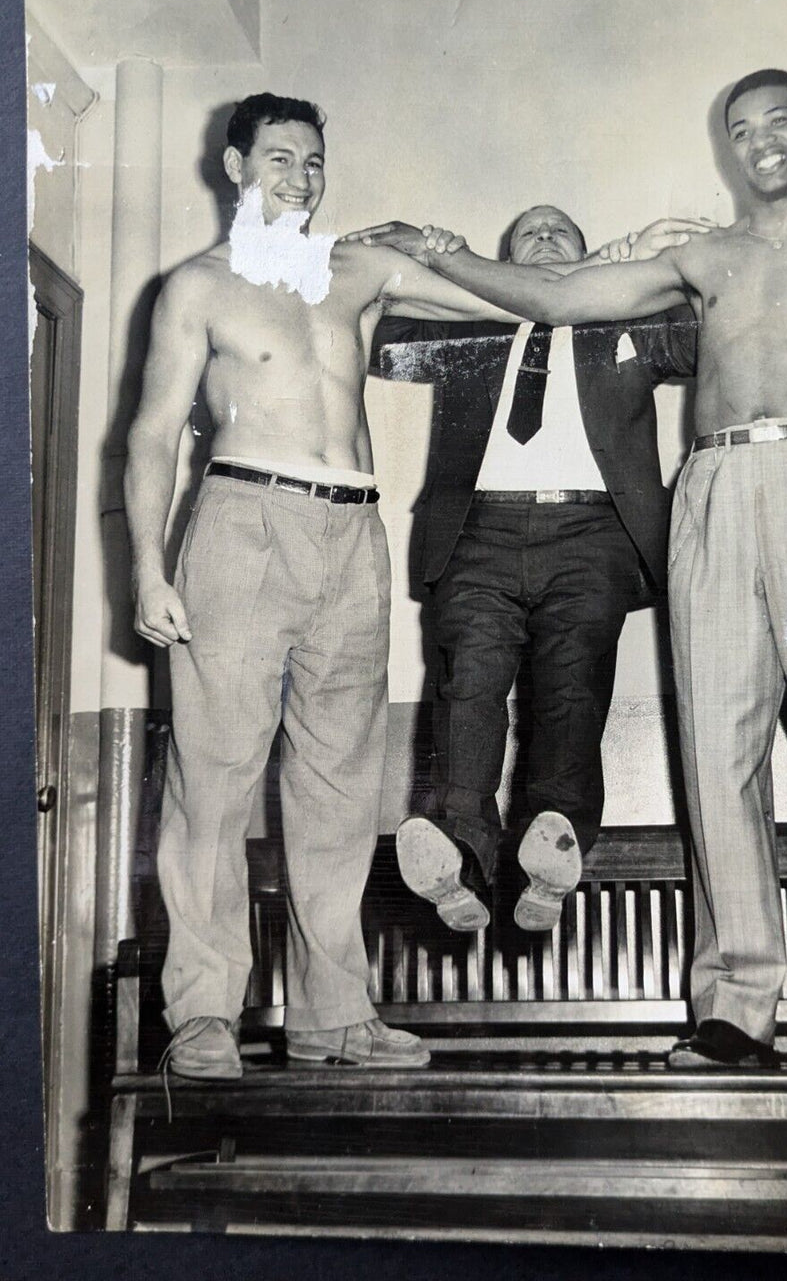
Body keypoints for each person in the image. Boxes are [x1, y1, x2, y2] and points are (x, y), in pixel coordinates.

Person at [359, 69, 787, 1071]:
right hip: (715, 490)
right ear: (728, 147)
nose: (762, 140)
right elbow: (556, 294)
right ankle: (736, 1007)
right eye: (742, 127)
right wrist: (441, 250)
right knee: (715, 754)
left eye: (778, 121)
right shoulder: (704, 257)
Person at [125, 93, 539, 1080]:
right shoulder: (196, 286)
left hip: (352, 530)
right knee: (213, 786)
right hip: (240, 522)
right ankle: (205, 1017)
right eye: (278, 159)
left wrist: (450, 247)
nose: (300, 179)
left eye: (313, 161)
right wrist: (145, 566)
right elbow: (147, 436)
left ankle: (332, 1016)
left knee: (340, 788)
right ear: (235, 168)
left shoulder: (358, 271)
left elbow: (518, 301)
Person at [369, 206, 702, 932]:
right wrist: (468, 272)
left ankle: (555, 848)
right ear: (505, 259)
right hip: (478, 531)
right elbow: (388, 340)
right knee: (470, 687)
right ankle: (459, 849)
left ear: (587, 255)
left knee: (572, 692)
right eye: (528, 233)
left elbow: (705, 335)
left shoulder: (626, 320)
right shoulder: (471, 325)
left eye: (562, 232)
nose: (546, 237)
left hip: (592, 532)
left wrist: (617, 270)